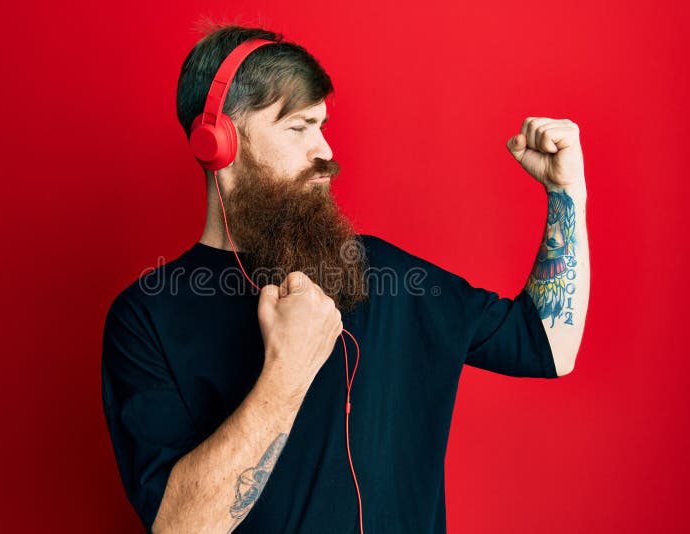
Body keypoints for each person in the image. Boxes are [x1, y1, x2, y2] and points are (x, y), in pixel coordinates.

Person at [100, 24, 589, 534]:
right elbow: (180, 528)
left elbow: (548, 344)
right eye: (297, 127)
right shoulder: (146, 317)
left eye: (322, 125)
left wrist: (566, 194)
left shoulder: (386, 274)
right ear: (217, 143)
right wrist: (287, 372)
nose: (325, 151)